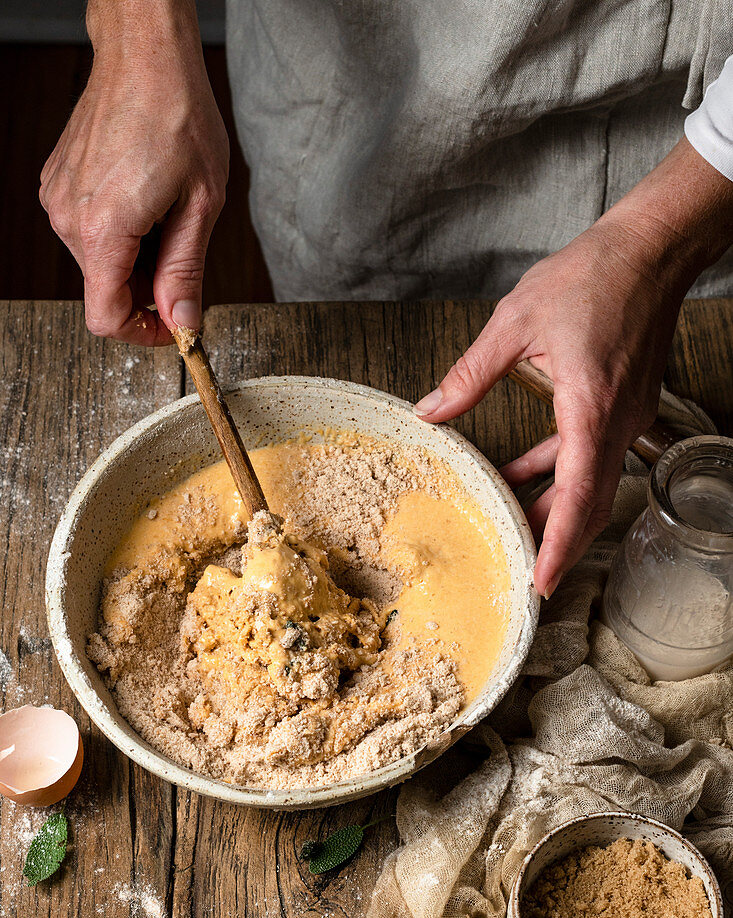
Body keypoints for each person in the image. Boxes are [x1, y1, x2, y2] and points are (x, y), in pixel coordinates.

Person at [40, 0, 733, 599]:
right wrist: (138, 35)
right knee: (352, 266)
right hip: (366, 77)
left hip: (679, 129)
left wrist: (657, 245)